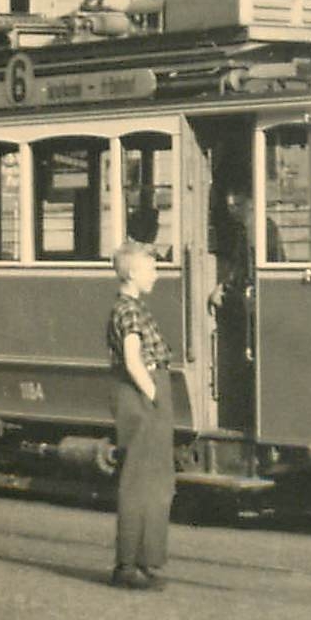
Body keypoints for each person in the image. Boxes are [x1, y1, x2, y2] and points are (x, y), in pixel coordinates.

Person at [104, 241, 174, 589]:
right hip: (142, 395)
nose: (156, 275)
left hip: (145, 392)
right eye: (152, 269)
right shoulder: (129, 311)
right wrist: (155, 395)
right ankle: (128, 564)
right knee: (140, 481)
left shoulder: (135, 307)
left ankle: (143, 561)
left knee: (154, 480)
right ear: (132, 273)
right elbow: (133, 360)